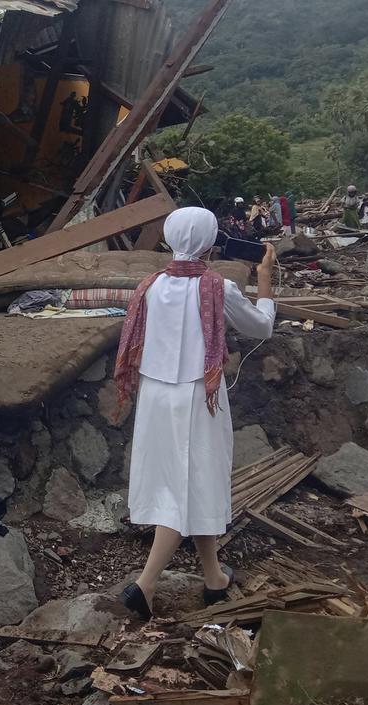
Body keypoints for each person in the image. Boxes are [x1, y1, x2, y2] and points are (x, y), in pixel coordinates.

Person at [112, 207, 277, 620]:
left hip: (155, 395)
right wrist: (265, 282)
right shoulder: (218, 287)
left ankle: (214, 578)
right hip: (199, 396)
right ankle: (146, 585)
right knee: (188, 486)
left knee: (191, 481)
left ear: (168, 239)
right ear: (209, 242)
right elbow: (261, 328)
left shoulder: (149, 286)